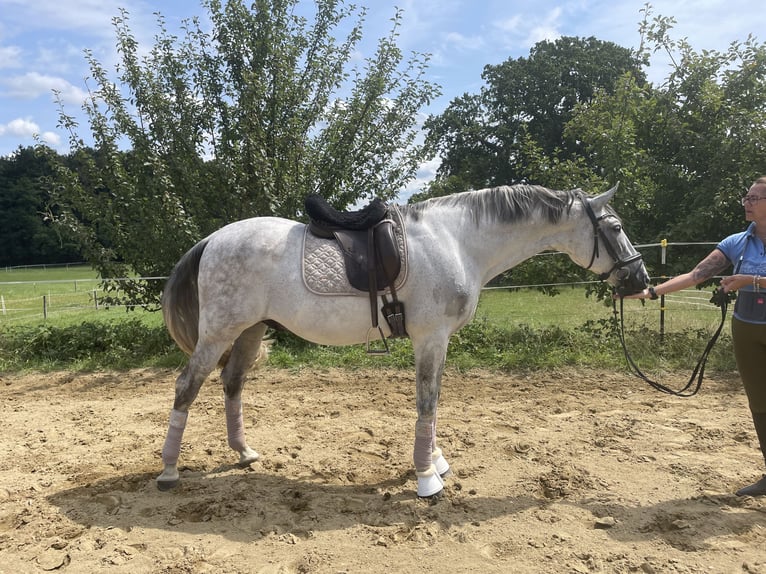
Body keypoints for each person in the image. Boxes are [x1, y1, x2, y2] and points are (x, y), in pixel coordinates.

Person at [625, 177, 766, 496]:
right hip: (746, 328)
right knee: (759, 401)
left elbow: (748, 280)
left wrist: (750, 281)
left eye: (755, 198)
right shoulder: (736, 242)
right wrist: (649, 292)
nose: (747, 202)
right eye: (747, 197)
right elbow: (696, 275)